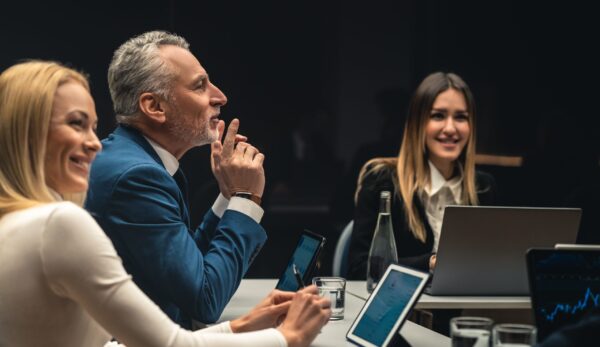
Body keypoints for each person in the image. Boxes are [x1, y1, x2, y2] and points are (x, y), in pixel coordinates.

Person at [0, 60, 330, 347]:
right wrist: (289, 338)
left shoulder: (19, 218)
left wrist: (241, 326)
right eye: (75, 124)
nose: (93, 144)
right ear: (24, 132)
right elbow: (188, 320)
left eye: (92, 127)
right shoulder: (62, 220)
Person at [85, 31, 268, 328]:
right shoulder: (138, 177)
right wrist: (246, 199)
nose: (220, 97)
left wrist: (229, 195)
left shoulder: (139, 160)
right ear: (155, 107)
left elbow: (186, 270)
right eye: (200, 86)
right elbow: (203, 300)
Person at [347, 72, 496, 279]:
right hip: (406, 310)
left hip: (467, 308)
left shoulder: (483, 186)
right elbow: (360, 267)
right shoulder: (382, 180)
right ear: (417, 123)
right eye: (438, 116)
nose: (451, 128)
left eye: (461, 117)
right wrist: (430, 263)